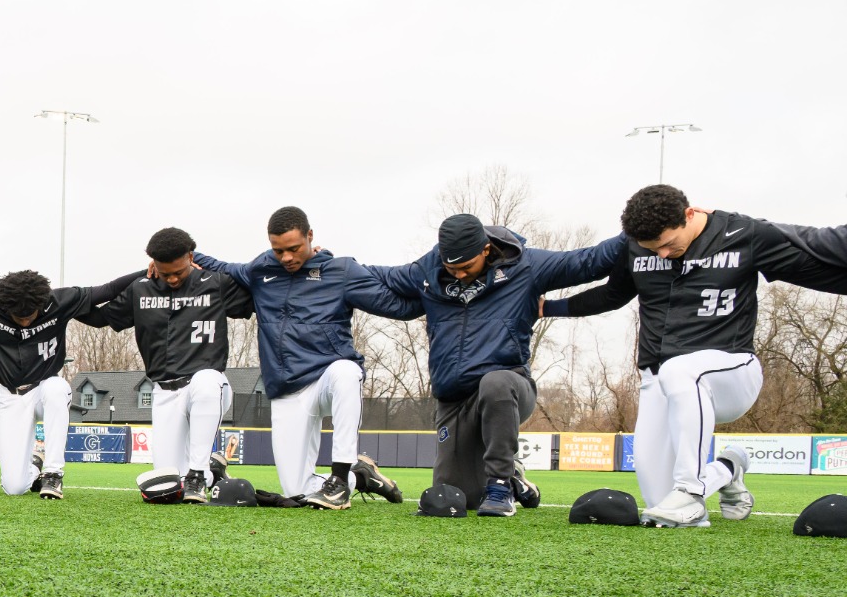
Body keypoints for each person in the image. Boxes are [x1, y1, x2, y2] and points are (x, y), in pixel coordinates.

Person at [546, 185, 847, 527]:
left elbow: (813, 267)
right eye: (651, 249)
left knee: (682, 371)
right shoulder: (635, 247)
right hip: (660, 377)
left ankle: (691, 490)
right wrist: (548, 307)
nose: (661, 254)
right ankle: (727, 468)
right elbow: (612, 295)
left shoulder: (742, 235)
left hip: (732, 371)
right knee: (660, 504)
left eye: (667, 244)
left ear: (690, 215)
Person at [359, 213, 627, 515]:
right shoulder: (426, 271)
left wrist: (636, 229)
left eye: (465, 267)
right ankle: (516, 478)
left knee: (495, 383)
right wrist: (335, 269)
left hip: (508, 387)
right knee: (456, 499)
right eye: (451, 267)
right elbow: (378, 276)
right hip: (454, 400)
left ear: (486, 249)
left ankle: (500, 483)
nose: (458, 274)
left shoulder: (526, 267)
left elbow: (590, 261)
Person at [193, 207, 403, 508]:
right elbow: (220, 266)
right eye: (279, 250)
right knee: (297, 490)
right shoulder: (261, 270)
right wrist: (183, 256)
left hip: (327, 378)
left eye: (294, 248)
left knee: (346, 372)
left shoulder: (339, 271)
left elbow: (395, 304)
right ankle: (363, 475)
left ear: (310, 237)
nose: (287, 258)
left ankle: (341, 478)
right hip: (287, 387)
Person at [0, 267, 140, 499]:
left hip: (44, 388)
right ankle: (35, 464)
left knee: (57, 388)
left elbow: (108, 289)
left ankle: (53, 473)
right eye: (20, 318)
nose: (26, 323)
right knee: (14, 488)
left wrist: (149, 271)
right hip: (12, 396)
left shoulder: (59, 301)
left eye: (31, 316)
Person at [97, 227, 254, 503]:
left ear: (191, 257)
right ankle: (210, 471)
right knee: (169, 486)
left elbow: (261, 289)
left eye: (178, 272)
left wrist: (206, 262)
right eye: (164, 271)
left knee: (206, 380)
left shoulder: (215, 282)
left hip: (207, 386)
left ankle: (197, 472)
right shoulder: (141, 288)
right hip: (164, 391)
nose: (171, 278)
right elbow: (101, 317)